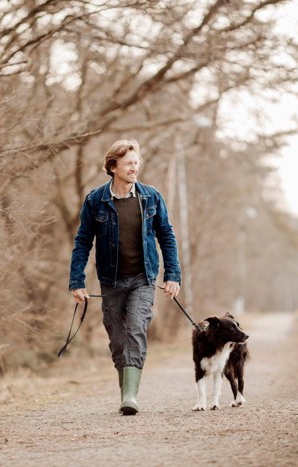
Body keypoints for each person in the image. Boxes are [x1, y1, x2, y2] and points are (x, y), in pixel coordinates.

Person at [69, 139, 181, 416]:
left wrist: (173, 275)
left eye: (137, 162)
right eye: (129, 163)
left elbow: (166, 235)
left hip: (143, 278)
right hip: (110, 281)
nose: (135, 167)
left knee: (135, 328)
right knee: (117, 338)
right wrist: (77, 280)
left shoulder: (150, 197)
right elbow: (83, 241)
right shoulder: (96, 200)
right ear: (113, 166)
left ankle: (130, 395)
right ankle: (125, 390)